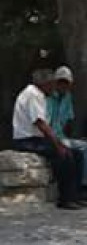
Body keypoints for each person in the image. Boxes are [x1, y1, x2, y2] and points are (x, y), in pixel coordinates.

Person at [11, 69, 83, 209]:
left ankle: (75, 195)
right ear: (46, 84)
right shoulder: (33, 95)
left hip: (35, 138)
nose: (54, 88)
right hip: (27, 140)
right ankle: (65, 198)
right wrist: (57, 144)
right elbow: (40, 123)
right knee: (63, 155)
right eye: (52, 85)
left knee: (76, 154)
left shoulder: (38, 94)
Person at [47, 66, 87, 201]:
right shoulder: (47, 97)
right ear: (55, 82)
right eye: (60, 82)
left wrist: (73, 139)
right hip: (52, 137)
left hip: (63, 136)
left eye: (66, 83)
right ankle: (85, 186)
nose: (63, 85)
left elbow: (68, 121)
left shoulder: (67, 97)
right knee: (86, 148)